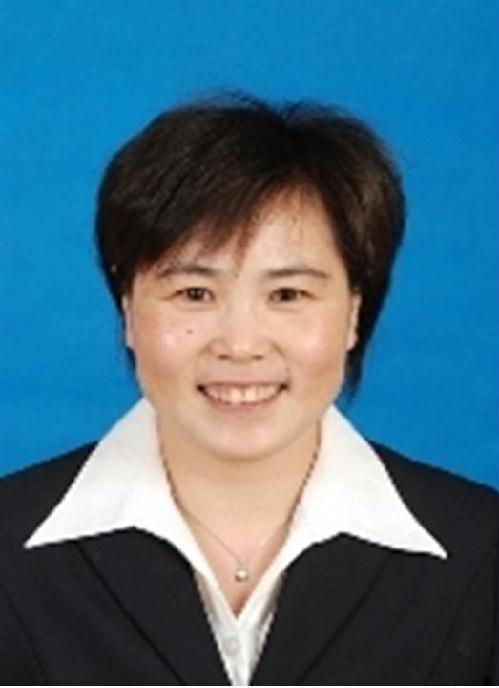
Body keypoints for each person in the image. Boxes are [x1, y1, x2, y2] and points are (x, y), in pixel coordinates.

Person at [0, 95, 497, 686]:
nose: (240, 345)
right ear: (129, 308)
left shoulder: (482, 552)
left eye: (288, 295)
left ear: (353, 312)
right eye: (194, 294)